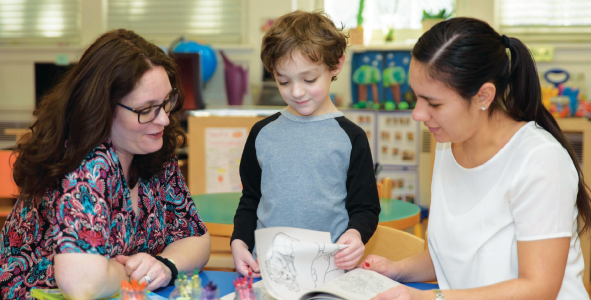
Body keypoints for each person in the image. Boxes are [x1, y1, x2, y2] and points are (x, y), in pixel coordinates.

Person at [360, 17, 591, 300]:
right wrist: (396, 270)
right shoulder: (448, 144)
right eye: (416, 98)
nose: (418, 114)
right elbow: (452, 257)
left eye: (433, 103)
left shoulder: (540, 160)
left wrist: (426, 298)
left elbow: (538, 288)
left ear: (484, 96)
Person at [0, 29, 211, 300]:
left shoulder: (152, 149)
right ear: (103, 107)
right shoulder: (85, 161)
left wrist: (165, 265)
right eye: (146, 109)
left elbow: (196, 238)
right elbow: (83, 283)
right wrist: (139, 273)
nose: (164, 120)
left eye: (166, 102)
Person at [230, 10, 381, 278]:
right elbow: (250, 199)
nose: (296, 92)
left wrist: (355, 234)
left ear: (336, 65)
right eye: (283, 81)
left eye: (309, 79)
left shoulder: (351, 137)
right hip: (268, 272)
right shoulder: (262, 133)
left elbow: (365, 207)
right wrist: (239, 242)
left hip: (329, 274)